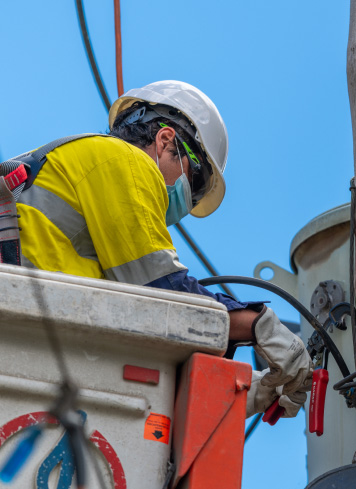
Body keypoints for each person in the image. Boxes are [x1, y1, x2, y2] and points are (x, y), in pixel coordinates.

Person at [13, 80, 312, 418]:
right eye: (194, 180)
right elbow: (165, 296)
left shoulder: (87, 176)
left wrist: (244, 391)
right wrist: (258, 325)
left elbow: (146, 335)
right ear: (166, 139)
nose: (188, 200)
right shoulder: (122, 160)